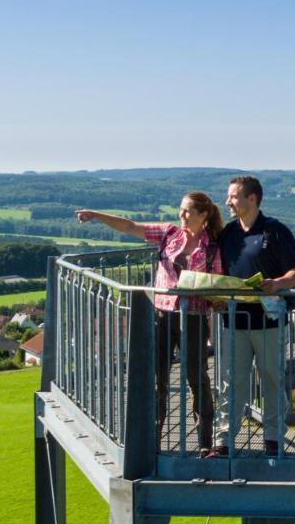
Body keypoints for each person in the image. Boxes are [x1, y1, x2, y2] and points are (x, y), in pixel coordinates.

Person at [75, 193, 224, 451]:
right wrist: (96, 215)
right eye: (181, 210)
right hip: (163, 315)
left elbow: (218, 283)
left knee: (197, 378)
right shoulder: (169, 234)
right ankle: (152, 440)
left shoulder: (213, 246)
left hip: (194, 317)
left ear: (204, 214)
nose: (182, 215)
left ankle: (204, 442)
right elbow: (130, 226)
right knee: (158, 378)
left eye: (187, 211)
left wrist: (216, 298)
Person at [208, 175, 295, 457]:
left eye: (233, 197)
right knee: (230, 382)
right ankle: (223, 441)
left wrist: (277, 284)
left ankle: (273, 440)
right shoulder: (228, 234)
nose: (227, 201)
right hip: (233, 320)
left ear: (252, 199)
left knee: (271, 379)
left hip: (269, 319)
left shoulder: (274, 231)